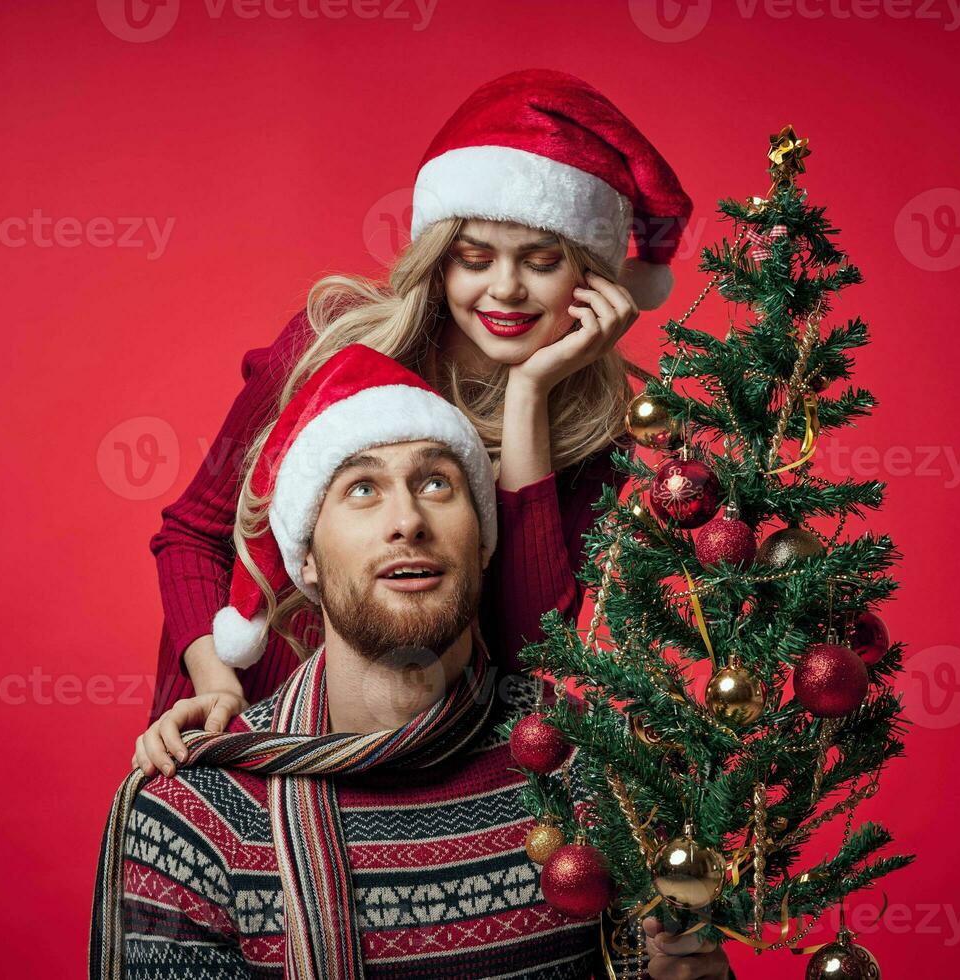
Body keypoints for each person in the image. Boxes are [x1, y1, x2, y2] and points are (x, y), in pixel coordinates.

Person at [92, 345, 733, 979]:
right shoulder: (195, 817)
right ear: (305, 558)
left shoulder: (596, 771)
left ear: (482, 541)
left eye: (436, 483)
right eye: (362, 488)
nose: (407, 520)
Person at [139, 67, 695, 752]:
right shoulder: (329, 343)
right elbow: (193, 533)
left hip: (429, 739)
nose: (506, 289)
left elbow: (527, 648)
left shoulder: (597, 428)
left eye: (542, 261)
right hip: (253, 703)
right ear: (441, 261)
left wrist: (530, 393)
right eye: (475, 257)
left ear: (590, 274)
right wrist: (217, 682)